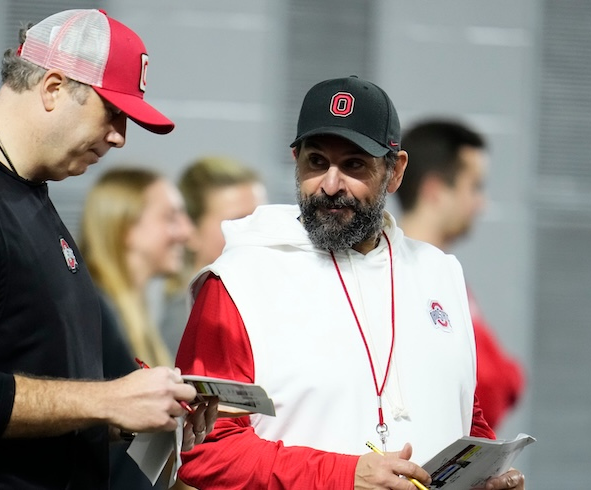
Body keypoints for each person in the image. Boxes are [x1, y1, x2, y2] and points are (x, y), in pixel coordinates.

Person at [0, 9, 216, 489]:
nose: (119, 137)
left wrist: (136, 413)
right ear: (52, 87)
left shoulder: (23, 194)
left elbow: (37, 390)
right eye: (112, 112)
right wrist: (107, 400)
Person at [175, 76, 525, 489]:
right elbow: (204, 448)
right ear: (296, 160)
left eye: (354, 164)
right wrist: (344, 476)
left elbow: (465, 413)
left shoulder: (439, 273)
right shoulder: (238, 281)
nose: (330, 185)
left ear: (395, 172)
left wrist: (486, 476)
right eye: (316, 161)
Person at [395, 119, 525, 430]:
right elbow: (488, 389)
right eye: (474, 187)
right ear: (435, 191)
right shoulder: (402, 279)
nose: (482, 204)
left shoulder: (444, 274)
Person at [79, 167, 194, 490]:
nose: (186, 232)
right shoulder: (93, 313)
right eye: (171, 217)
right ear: (126, 226)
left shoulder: (134, 315)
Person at [160, 156, 267, 356]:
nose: (257, 232)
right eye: (238, 221)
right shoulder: (187, 320)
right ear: (190, 230)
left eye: (260, 219)